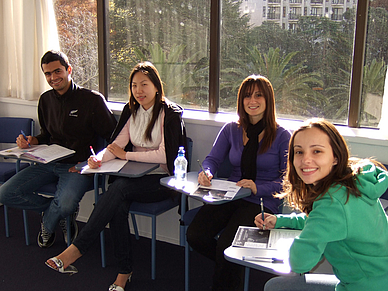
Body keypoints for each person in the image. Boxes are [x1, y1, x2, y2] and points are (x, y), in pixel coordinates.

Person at [45, 61, 187, 291]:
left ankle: (77, 249)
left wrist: (128, 155)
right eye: (134, 85)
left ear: (156, 86)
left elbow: (165, 155)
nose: (138, 90)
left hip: (162, 180)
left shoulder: (169, 113)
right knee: (117, 205)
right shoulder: (132, 111)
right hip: (136, 178)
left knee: (117, 190)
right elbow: (115, 145)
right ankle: (124, 272)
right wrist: (99, 159)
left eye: (144, 84)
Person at [0, 50, 117, 248]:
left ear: (68, 70)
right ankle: (55, 212)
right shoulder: (45, 100)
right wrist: (31, 141)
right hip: (48, 162)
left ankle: (50, 220)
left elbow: (112, 139)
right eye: (47, 74)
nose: (53, 78)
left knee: (65, 203)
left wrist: (89, 163)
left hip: (77, 166)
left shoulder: (92, 100)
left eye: (57, 71)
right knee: (5, 194)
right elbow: (46, 134)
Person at [255, 119, 388, 291]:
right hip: (374, 280)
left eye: (317, 151)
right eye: (299, 152)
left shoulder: (333, 202)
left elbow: (299, 263)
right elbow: (327, 221)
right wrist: (280, 221)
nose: (305, 160)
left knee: (275, 287)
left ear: (335, 157)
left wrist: (295, 246)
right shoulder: (352, 183)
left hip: (366, 287)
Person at [186, 75, 291, 290]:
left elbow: (286, 182)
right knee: (195, 235)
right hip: (232, 193)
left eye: (258, 95)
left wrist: (256, 186)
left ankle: (228, 269)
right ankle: (231, 265)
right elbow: (212, 159)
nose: (252, 100)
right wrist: (207, 172)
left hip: (262, 201)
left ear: (268, 99)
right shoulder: (231, 129)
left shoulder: (282, 136)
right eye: (247, 96)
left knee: (226, 244)